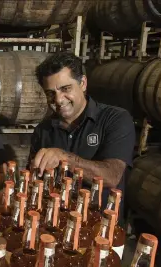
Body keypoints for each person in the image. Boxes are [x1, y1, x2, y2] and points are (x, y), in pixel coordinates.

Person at [30, 52, 135, 222]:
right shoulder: (43, 130)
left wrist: (63, 157)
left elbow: (111, 176)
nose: (58, 99)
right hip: (56, 226)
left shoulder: (115, 119)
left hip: (100, 228)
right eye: (50, 93)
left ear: (83, 83)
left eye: (65, 89)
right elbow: (36, 181)